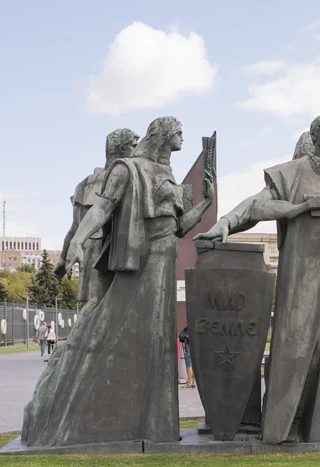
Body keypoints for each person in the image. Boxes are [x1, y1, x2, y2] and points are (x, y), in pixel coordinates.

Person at [195, 114, 320, 444]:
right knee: (299, 348)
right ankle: (288, 424)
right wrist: (225, 224)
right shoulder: (292, 174)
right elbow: (257, 205)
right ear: (313, 136)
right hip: (302, 277)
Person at [21, 117, 215, 448]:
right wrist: (79, 240)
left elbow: (180, 226)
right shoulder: (129, 169)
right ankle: (63, 413)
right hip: (143, 260)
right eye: (178, 132)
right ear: (164, 135)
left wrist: (206, 202)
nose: (182, 137)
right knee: (105, 331)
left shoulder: (165, 173)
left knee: (156, 342)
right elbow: (102, 209)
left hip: (166, 259)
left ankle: (156, 426)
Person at [54, 129, 139, 318]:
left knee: (98, 306)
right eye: (134, 145)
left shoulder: (83, 184)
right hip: (107, 251)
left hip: (95, 251)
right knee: (99, 306)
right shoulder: (124, 176)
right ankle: (75, 344)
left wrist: (62, 259)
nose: (137, 149)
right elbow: (76, 226)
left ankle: (76, 344)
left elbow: (74, 228)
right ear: (122, 149)